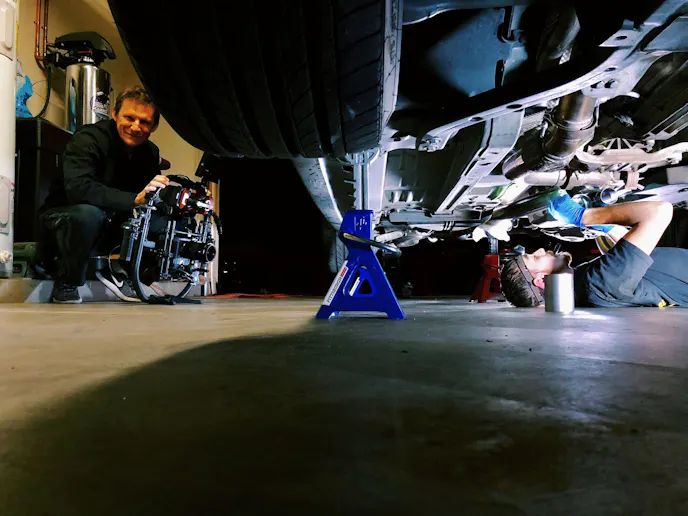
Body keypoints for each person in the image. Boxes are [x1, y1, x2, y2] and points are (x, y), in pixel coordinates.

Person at [39, 86, 171, 304]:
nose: (135, 126)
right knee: (88, 215)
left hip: (110, 221)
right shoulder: (88, 139)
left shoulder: (150, 152)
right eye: (129, 117)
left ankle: (130, 274)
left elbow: (150, 198)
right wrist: (133, 200)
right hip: (65, 218)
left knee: (162, 219)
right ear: (115, 114)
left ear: (154, 126)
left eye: (144, 122)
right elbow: (79, 188)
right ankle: (67, 279)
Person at [500, 191, 688, 308]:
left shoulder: (585, 282)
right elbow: (659, 211)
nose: (541, 250)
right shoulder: (598, 282)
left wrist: (607, 226)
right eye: (534, 257)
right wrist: (585, 216)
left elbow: (634, 252)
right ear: (540, 280)